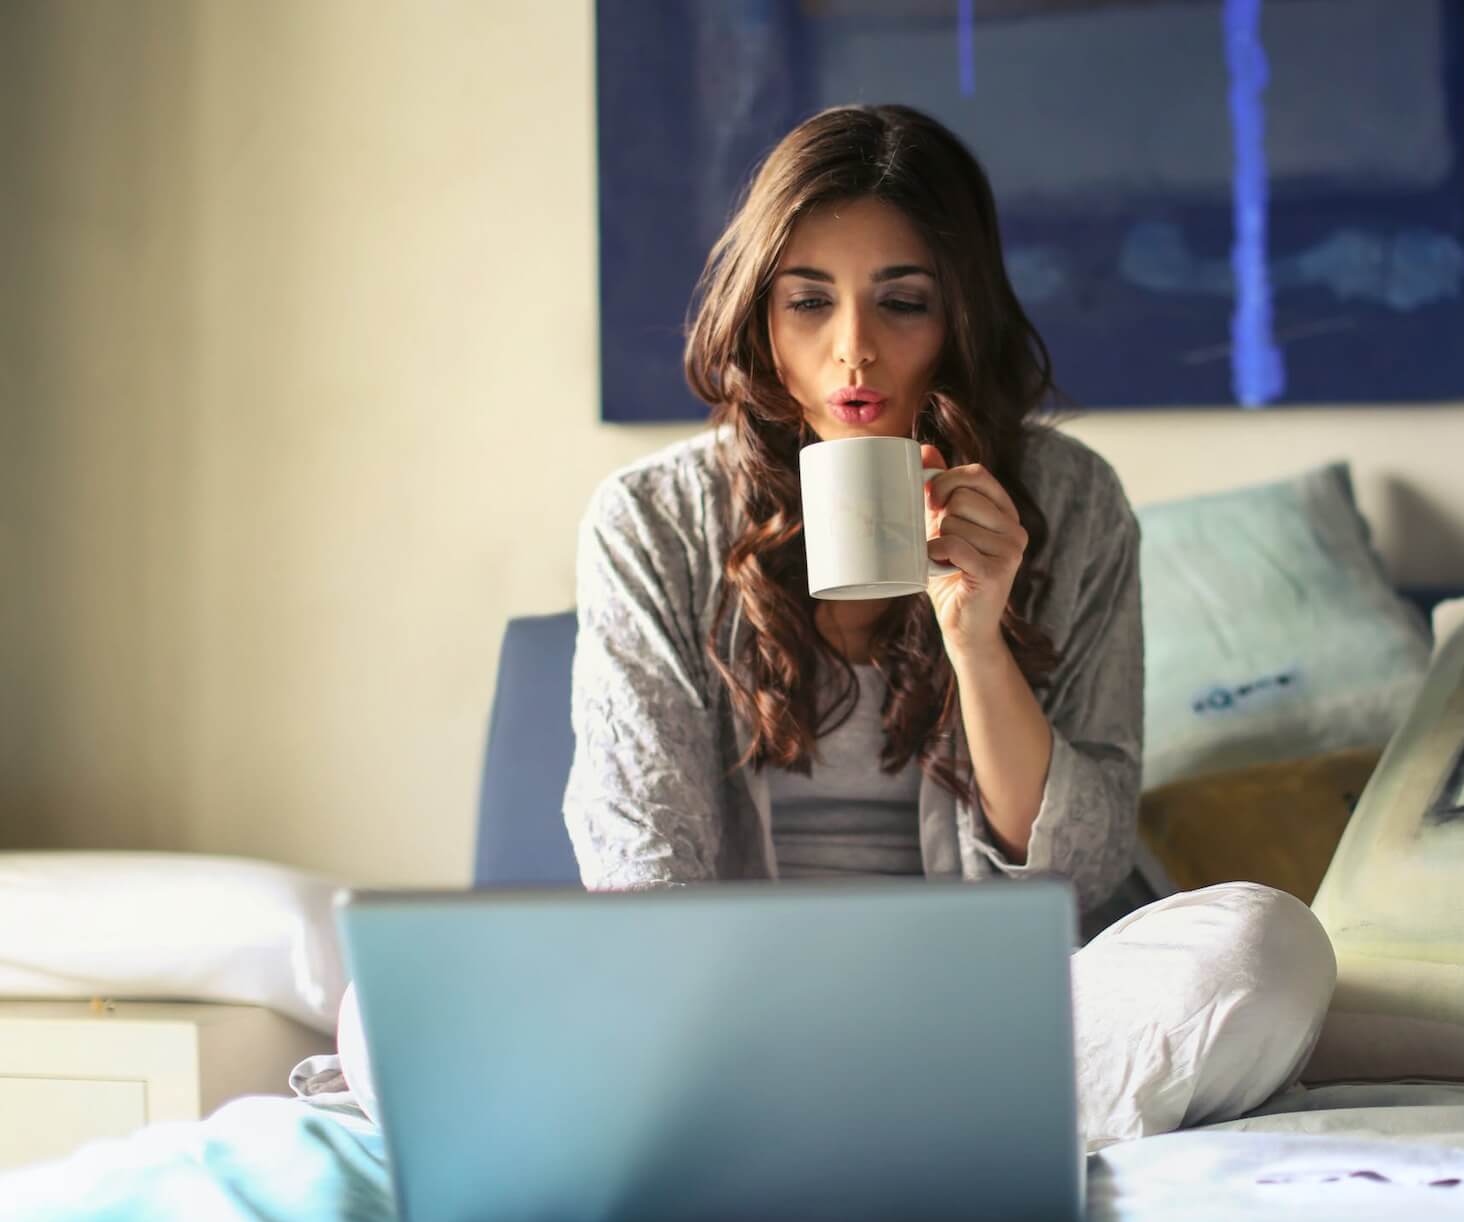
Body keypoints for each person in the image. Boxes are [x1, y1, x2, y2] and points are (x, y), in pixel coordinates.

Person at [345, 104, 1334, 1153]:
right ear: (759, 316)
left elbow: (1079, 869)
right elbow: (640, 862)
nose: (853, 349)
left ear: (962, 315)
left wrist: (978, 637)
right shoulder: (652, 522)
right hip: (729, 1013)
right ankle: (916, 1125)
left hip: (994, 1011)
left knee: (1267, 950)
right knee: (386, 1014)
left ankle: (785, 1129)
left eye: (901, 302)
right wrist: (729, 1017)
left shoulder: (1071, 505)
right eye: (809, 301)